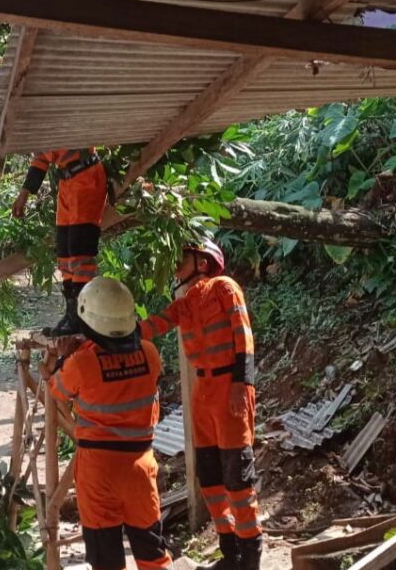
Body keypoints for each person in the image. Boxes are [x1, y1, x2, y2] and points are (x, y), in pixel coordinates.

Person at [139, 241, 262, 570]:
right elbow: (154, 325)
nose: (177, 264)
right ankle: (230, 552)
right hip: (203, 390)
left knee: (237, 476)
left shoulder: (224, 287)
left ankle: (251, 558)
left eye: (183, 257)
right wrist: (117, 332)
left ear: (203, 263)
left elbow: (243, 335)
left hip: (229, 387)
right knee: (209, 476)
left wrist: (242, 381)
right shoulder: (185, 302)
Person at [48, 277, 171, 570]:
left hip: (99, 469)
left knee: (106, 557)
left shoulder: (81, 363)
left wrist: (64, 358)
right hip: (141, 464)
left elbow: (58, 390)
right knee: (151, 548)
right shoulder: (150, 354)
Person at [12, 148, 108, 336]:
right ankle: (72, 314)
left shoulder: (60, 119)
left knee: (80, 251)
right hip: (67, 183)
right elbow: (41, 158)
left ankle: (83, 316)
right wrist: (24, 194)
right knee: (64, 253)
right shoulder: (41, 127)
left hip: (86, 178)